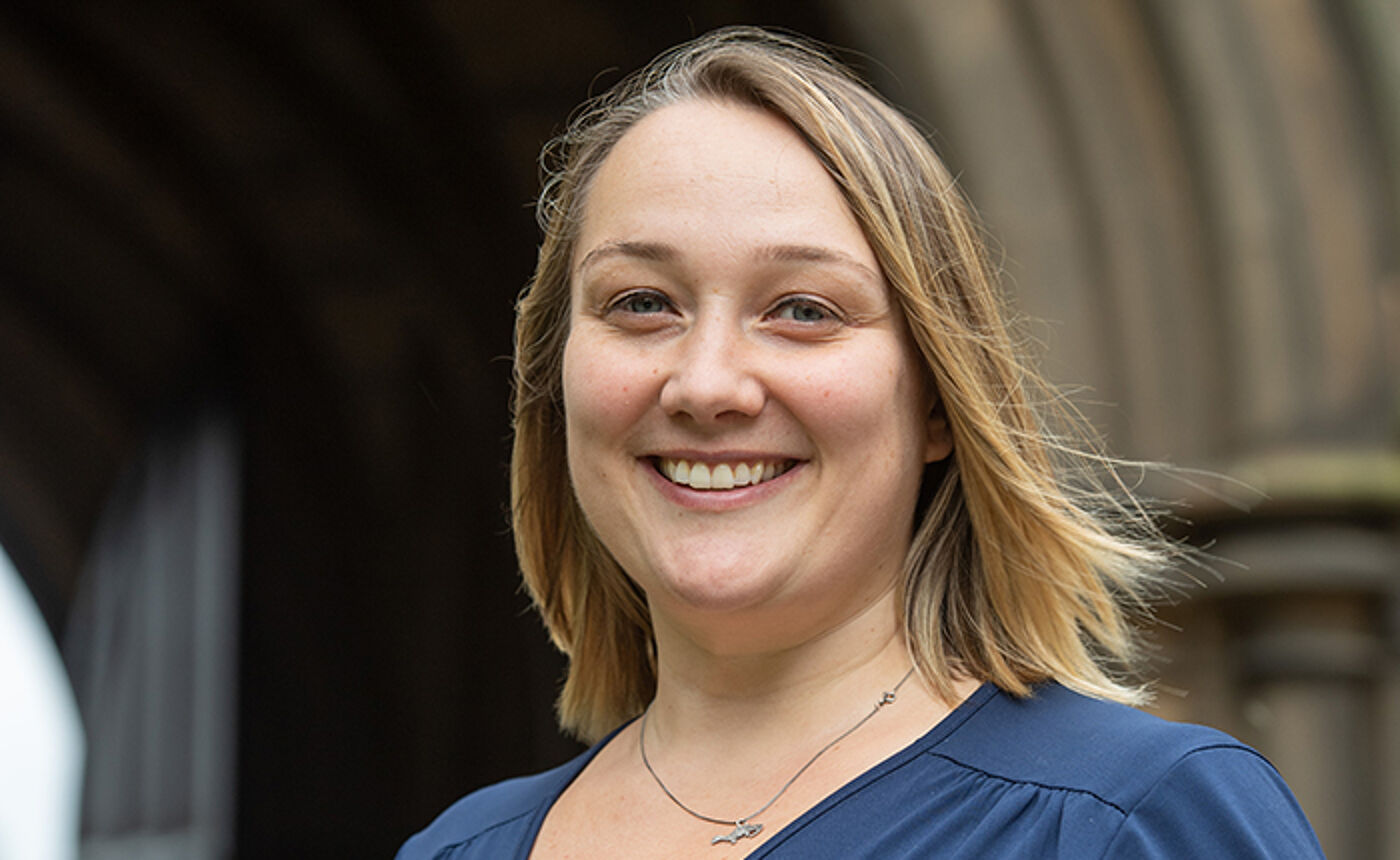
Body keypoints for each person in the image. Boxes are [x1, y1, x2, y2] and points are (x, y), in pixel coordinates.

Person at [399, 26, 1323, 859]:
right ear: (556, 379)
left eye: (804, 310)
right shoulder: (459, 851)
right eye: (642, 303)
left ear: (934, 403)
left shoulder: (1132, 820)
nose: (708, 384)